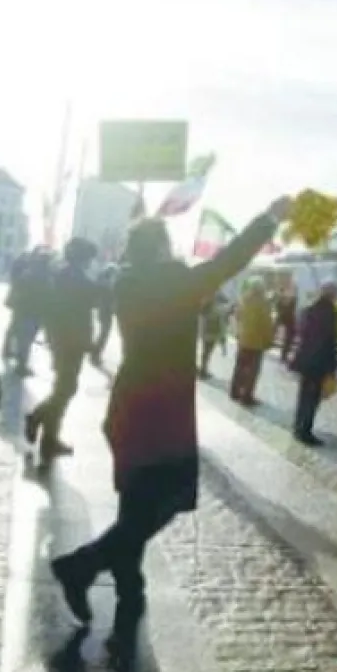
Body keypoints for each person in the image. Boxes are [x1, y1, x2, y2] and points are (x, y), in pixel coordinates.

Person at [50, 197, 290, 641]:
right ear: (160, 248)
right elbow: (231, 259)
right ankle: (80, 566)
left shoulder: (127, 282)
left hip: (129, 403)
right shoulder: (174, 282)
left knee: (135, 503)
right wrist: (269, 217)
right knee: (161, 502)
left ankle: (130, 589)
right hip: (162, 411)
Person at [25, 238, 99, 457]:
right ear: (83, 258)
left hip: (62, 340)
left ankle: (50, 440)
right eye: (89, 258)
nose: (90, 263)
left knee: (62, 388)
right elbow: (88, 306)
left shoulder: (62, 274)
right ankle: (37, 418)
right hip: (71, 342)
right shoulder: (76, 278)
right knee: (65, 389)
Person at [291, 279, 337, 446]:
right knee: (312, 399)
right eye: (335, 292)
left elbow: (302, 334)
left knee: (304, 396)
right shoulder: (330, 312)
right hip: (318, 362)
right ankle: (305, 431)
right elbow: (329, 341)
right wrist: (332, 367)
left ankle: (298, 427)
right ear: (331, 294)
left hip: (306, 360)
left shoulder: (310, 308)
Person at [230, 277, 275, 405]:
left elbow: (237, 316)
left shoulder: (243, 299)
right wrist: (269, 340)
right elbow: (266, 323)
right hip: (257, 341)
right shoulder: (264, 303)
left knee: (240, 367)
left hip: (243, 339)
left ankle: (234, 391)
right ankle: (247, 396)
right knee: (252, 370)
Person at [89, 264, 118, 366]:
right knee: (104, 334)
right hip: (105, 311)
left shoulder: (102, 282)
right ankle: (95, 354)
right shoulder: (106, 284)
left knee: (103, 334)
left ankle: (95, 353)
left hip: (103, 311)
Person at [197, 291, 228, 379]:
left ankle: (202, 370)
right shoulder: (218, 311)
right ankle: (203, 371)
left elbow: (202, 322)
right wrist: (222, 338)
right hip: (213, 334)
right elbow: (221, 326)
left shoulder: (205, 309)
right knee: (207, 353)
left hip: (205, 333)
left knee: (205, 352)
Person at [275, 287, 298, 365]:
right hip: (287, 319)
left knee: (289, 337)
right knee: (289, 337)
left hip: (287, 320)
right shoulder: (283, 302)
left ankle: (284, 354)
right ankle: (284, 355)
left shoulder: (285, 301)